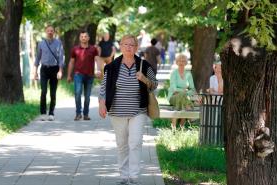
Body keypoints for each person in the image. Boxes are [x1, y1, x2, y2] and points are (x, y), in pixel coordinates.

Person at [98, 35, 157, 185]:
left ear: (136, 48)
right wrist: (101, 103)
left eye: (132, 45)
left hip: (138, 110)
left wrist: (144, 79)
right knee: (122, 144)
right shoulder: (112, 66)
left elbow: (154, 84)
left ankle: (134, 177)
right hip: (117, 111)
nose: (129, 47)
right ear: (120, 46)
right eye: (126, 44)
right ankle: (124, 176)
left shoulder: (144, 64)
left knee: (135, 142)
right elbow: (104, 87)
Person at [67, 31, 101, 121]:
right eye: (82, 36)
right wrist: (69, 75)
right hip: (78, 74)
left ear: (88, 38)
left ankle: (86, 114)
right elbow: (71, 62)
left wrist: (98, 70)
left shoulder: (93, 49)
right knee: (77, 94)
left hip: (90, 75)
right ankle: (78, 113)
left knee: (87, 96)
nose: (83, 38)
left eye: (85, 36)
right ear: (79, 38)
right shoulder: (75, 49)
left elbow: (97, 59)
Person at [34, 25, 64, 121]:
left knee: (53, 93)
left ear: (54, 32)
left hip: (54, 69)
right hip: (44, 69)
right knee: (43, 92)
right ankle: (43, 113)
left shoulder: (58, 43)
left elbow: (61, 58)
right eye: (48, 31)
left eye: (51, 31)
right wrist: (35, 72)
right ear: (45, 32)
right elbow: (37, 58)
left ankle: (51, 113)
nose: (50, 32)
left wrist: (60, 71)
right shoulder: (41, 43)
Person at [167, 54, 195, 129]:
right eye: (179, 61)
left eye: (183, 61)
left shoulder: (188, 74)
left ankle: (175, 130)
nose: (181, 63)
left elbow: (192, 90)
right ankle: (189, 115)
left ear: (186, 63)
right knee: (183, 100)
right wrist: (183, 91)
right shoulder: (174, 73)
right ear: (177, 62)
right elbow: (174, 88)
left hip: (182, 99)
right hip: (173, 97)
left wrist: (183, 92)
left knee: (182, 103)